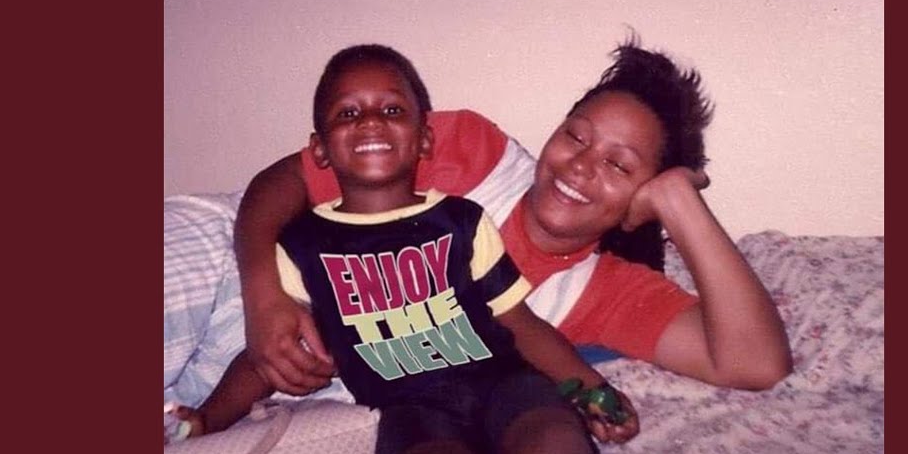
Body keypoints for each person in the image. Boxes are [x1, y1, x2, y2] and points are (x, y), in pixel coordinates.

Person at [174, 45, 707, 454]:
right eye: (348, 113)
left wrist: (589, 388)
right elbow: (270, 353)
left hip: (504, 385)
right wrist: (210, 418)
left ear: (425, 139)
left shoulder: (462, 221)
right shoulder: (303, 247)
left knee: (558, 451)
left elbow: (519, 322)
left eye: (392, 110)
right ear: (319, 150)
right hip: (415, 410)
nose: (370, 122)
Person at [233, 35, 792, 401]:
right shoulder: (475, 151)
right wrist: (263, 299)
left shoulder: (609, 294)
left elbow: (757, 364)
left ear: (640, 199)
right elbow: (281, 182)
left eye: (618, 165)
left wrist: (677, 200)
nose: (579, 165)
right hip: (243, 254)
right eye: (575, 136)